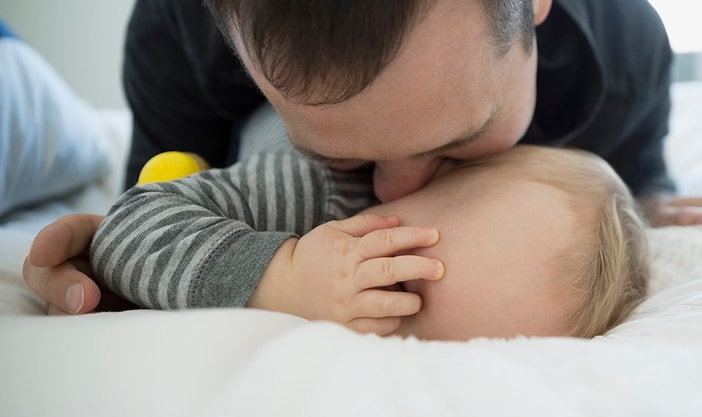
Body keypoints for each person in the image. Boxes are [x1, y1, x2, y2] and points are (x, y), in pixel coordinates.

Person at [23, 0, 702, 315]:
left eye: (461, 142)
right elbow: (167, 200)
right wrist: (134, 254)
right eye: (341, 156)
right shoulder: (179, 24)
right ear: (233, 45)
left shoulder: (624, 49)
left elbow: (634, 186)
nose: (392, 195)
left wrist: (651, 203)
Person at [90, 144, 650, 341]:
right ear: (429, 179)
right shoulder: (315, 193)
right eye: (397, 278)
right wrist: (282, 276)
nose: (376, 313)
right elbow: (124, 228)